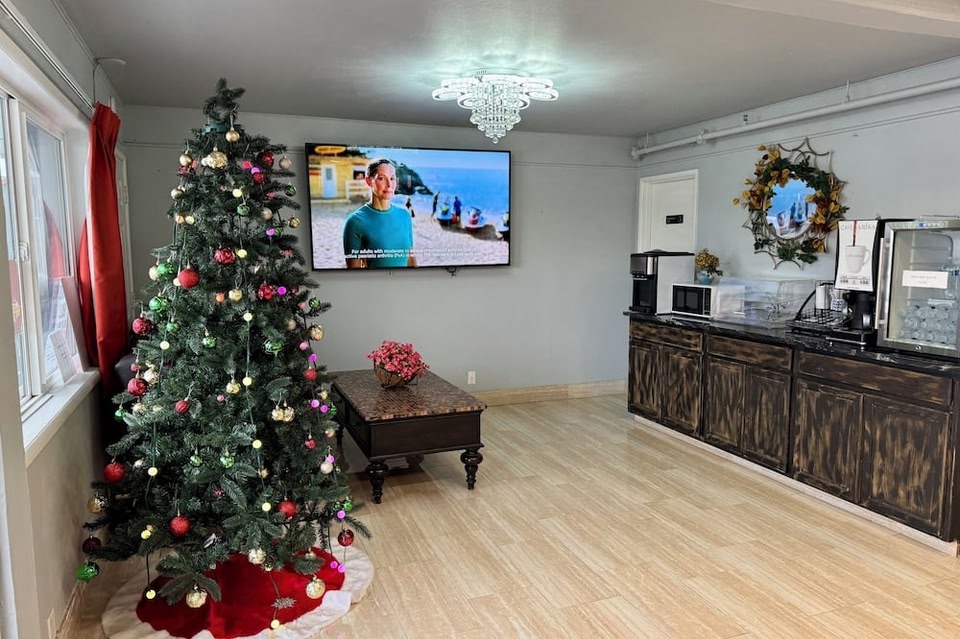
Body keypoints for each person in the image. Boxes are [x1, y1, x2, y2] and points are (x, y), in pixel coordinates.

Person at [343, 158, 417, 269]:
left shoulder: (404, 216)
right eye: (381, 178)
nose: (389, 184)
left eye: (392, 178)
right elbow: (354, 273)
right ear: (369, 181)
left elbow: (411, 259)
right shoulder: (355, 222)